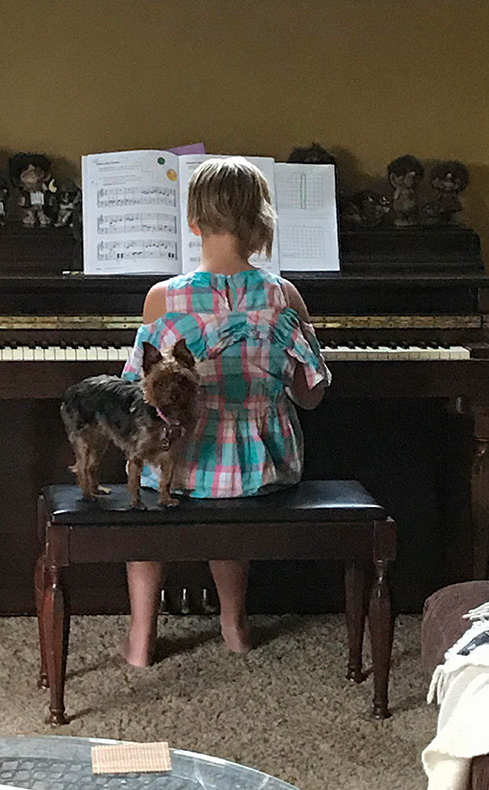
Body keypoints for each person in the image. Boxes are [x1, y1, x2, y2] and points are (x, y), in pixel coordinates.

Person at [120, 156, 331, 667]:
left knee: (146, 477)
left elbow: (136, 395)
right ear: (261, 224)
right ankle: (234, 623)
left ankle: (142, 635)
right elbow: (312, 394)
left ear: (193, 224)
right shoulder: (284, 294)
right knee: (231, 489)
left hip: (185, 458)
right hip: (262, 465)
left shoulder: (163, 298)